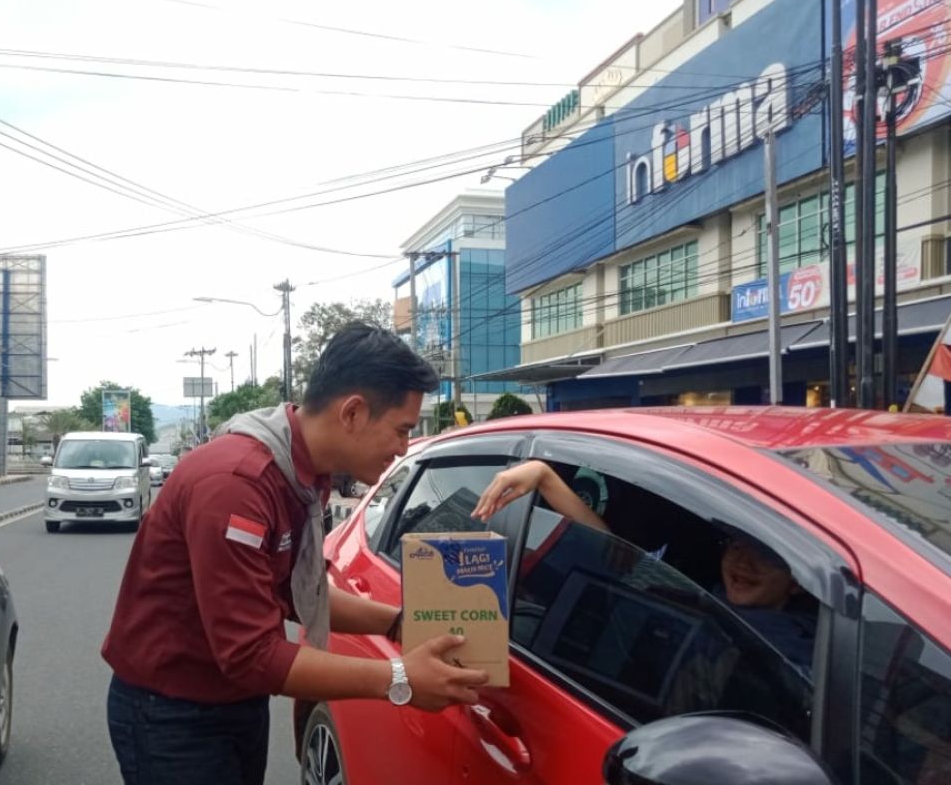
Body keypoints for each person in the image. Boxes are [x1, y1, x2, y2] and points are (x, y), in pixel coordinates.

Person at [101, 322, 490, 785]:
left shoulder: (304, 474)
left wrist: (396, 624)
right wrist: (400, 679)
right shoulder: (237, 485)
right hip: (171, 715)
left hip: (233, 701)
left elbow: (291, 592)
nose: (405, 449)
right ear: (352, 413)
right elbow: (251, 655)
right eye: (402, 430)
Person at [472, 459, 816, 674]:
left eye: (765, 555)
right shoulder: (693, 597)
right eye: (737, 547)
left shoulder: (795, 660)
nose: (744, 563)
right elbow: (607, 549)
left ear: (799, 580)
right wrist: (545, 476)